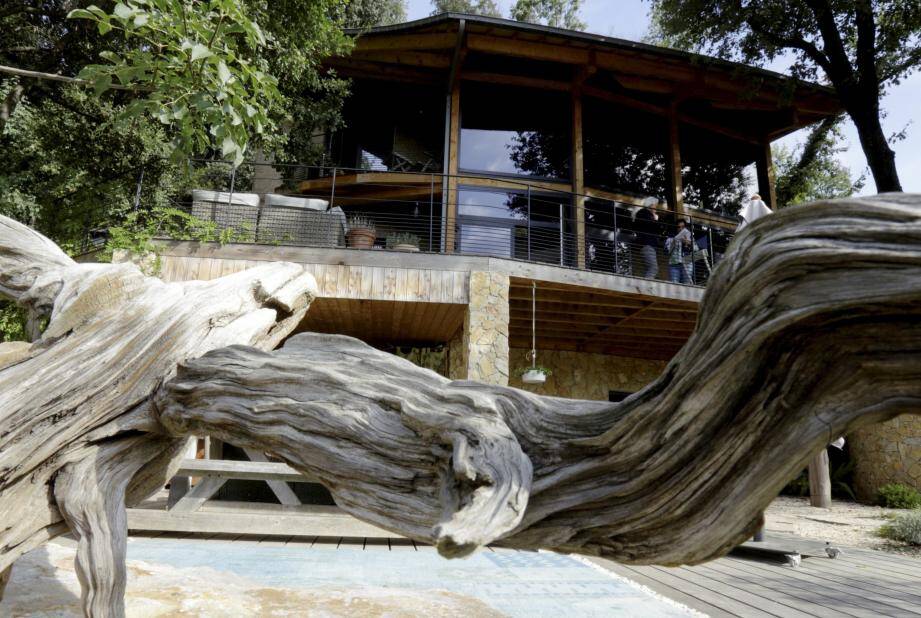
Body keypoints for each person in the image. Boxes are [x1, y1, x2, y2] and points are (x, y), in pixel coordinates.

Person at [633, 197, 661, 279]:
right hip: (648, 244)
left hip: (648, 245)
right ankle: (646, 286)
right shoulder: (644, 214)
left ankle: (647, 285)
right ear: (651, 205)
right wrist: (655, 219)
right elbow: (651, 226)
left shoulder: (643, 214)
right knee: (654, 268)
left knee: (650, 268)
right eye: (655, 206)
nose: (656, 208)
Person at [666, 218, 694, 284]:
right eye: (679, 227)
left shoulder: (690, 238)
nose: (681, 229)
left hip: (687, 264)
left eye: (683, 227)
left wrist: (689, 244)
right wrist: (676, 241)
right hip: (674, 265)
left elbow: (696, 249)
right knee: (675, 286)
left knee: (687, 286)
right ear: (676, 228)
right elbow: (667, 250)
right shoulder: (671, 238)